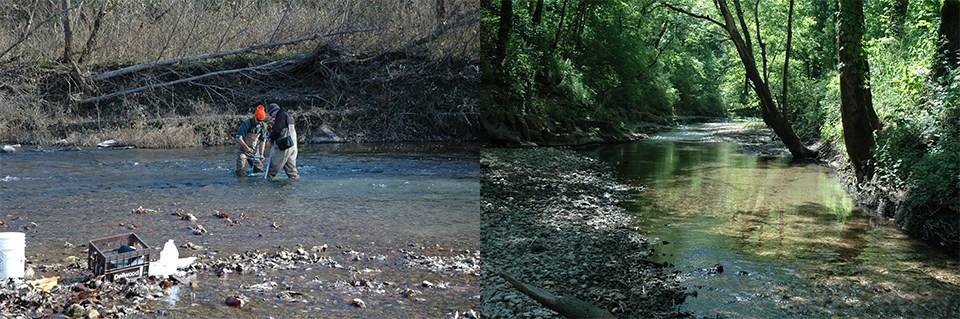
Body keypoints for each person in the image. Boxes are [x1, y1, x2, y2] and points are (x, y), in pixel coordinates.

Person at [265, 103, 299, 179]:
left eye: (271, 114)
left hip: (285, 145)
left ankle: (267, 182)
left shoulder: (280, 116)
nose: (271, 117)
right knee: (291, 170)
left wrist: (271, 139)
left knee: (274, 166)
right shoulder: (288, 115)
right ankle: (295, 183)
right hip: (293, 145)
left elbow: (276, 131)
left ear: (274, 111)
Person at [234, 104, 268, 176]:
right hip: (242, 150)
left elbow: (263, 141)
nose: (260, 122)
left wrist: (261, 154)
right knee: (240, 172)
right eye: (258, 120)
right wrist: (246, 147)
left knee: (260, 171)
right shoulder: (246, 123)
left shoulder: (263, 126)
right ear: (255, 117)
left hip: (253, 151)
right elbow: (238, 138)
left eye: (262, 120)